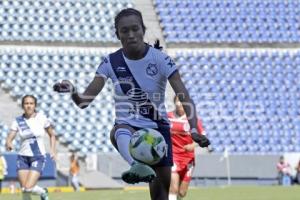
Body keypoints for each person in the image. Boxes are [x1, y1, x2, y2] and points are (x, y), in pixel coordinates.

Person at [53, 8, 210, 200]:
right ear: (118, 35)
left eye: (135, 29)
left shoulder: (160, 59)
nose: (130, 35)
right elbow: (84, 102)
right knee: (118, 130)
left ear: (143, 30)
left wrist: (194, 129)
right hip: (128, 129)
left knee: (160, 196)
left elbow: (183, 95)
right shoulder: (110, 62)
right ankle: (136, 165)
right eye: (124, 31)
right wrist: (72, 90)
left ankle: (143, 167)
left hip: (158, 131)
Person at [5, 95, 57, 200]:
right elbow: (10, 137)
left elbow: (52, 135)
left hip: (38, 156)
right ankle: (42, 192)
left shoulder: (42, 118)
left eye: (31, 103)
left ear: (35, 105)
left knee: (28, 188)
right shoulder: (18, 121)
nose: (29, 106)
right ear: (23, 106)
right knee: (24, 190)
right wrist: (9, 143)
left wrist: (53, 150)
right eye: (26, 103)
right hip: (22, 157)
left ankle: (42, 192)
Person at [168, 96, 205, 200]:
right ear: (174, 103)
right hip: (173, 157)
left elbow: (203, 138)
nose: (179, 104)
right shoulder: (168, 117)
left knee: (182, 192)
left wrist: (193, 145)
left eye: (182, 102)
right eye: (177, 101)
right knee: (173, 188)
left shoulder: (192, 119)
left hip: (188, 159)